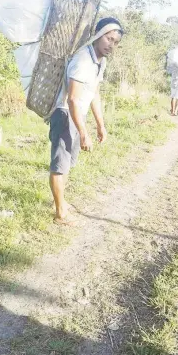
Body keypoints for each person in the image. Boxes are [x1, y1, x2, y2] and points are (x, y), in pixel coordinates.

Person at [49, 17, 124, 226]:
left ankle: (59, 202)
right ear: (98, 35)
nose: (111, 45)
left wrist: (100, 124)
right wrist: (83, 132)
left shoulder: (100, 61)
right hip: (64, 113)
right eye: (108, 39)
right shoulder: (83, 60)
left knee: (68, 164)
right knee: (59, 164)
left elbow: (94, 94)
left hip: (76, 114)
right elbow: (72, 99)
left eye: (115, 42)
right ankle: (60, 214)